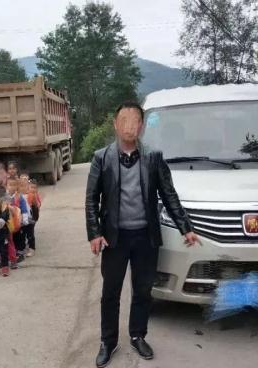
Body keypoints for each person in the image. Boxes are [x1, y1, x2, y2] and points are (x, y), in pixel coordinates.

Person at [85, 101, 201, 367]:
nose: (129, 126)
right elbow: (91, 199)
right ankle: (108, 341)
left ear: (141, 126)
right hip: (114, 239)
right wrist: (94, 233)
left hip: (146, 237)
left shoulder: (154, 157)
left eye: (135, 120)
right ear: (115, 125)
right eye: (123, 120)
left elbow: (169, 195)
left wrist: (186, 227)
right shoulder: (101, 157)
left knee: (143, 290)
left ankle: (138, 335)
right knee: (110, 292)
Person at [25, 179, 42, 257]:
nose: (33, 189)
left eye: (35, 188)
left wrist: (35, 203)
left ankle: (32, 248)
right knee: (26, 232)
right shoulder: (26, 195)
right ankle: (27, 246)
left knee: (30, 233)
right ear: (28, 187)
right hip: (26, 217)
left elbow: (39, 204)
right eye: (31, 187)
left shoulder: (35, 195)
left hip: (33, 218)